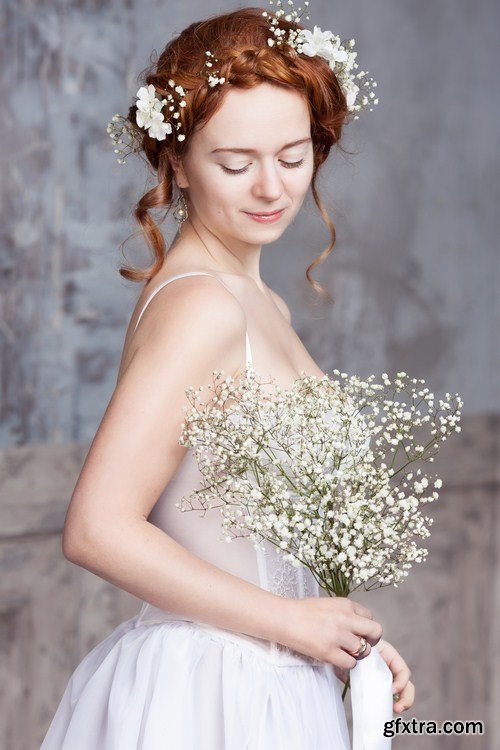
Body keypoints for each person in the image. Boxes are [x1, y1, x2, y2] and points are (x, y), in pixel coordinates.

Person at [40, 5, 414, 748]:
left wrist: (336, 632)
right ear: (175, 161)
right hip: (212, 693)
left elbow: (247, 536)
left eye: (294, 154)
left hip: (270, 677)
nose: (272, 187)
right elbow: (96, 527)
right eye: (236, 163)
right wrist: (290, 622)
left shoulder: (255, 297)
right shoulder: (203, 305)